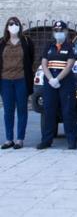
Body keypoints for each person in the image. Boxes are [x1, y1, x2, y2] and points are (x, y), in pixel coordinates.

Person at [37, 21, 77, 150]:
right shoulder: (49, 46)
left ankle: (71, 140)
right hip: (50, 83)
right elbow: (44, 63)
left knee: (68, 112)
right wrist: (51, 79)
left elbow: (70, 64)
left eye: (61, 30)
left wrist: (58, 79)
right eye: (56, 30)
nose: (58, 32)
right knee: (49, 111)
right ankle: (46, 140)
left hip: (65, 82)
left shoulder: (70, 46)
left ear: (66, 32)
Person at [0, 17, 35, 150]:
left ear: (20, 26)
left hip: (21, 80)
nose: (13, 26)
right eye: (11, 24)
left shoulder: (26, 41)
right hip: (5, 80)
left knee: (22, 110)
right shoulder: (2, 42)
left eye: (16, 24)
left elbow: (30, 59)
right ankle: (9, 139)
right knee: (8, 111)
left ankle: (20, 139)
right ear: (7, 27)